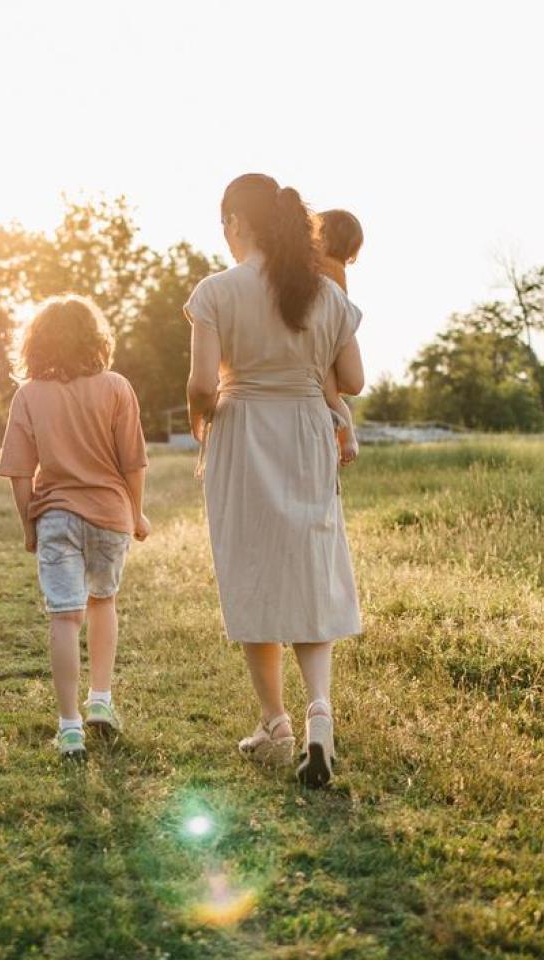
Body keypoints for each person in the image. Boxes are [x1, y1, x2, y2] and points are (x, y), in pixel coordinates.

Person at [185, 173, 366, 787]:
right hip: (306, 431)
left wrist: (199, 423)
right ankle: (319, 710)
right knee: (310, 566)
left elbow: (201, 387)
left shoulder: (216, 291)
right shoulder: (324, 292)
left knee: (253, 567)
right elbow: (354, 378)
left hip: (243, 431)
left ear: (237, 222)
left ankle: (274, 722)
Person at [0, 296, 151, 761]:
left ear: (36, 344)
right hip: (109, 515)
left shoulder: (28, 396)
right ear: (95, 339)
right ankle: (100, 700)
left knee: (65, 617)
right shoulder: (117, 387)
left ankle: (69, 728)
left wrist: (29, 524)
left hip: (56, 516)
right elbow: (134, 462)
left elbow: (20, 473)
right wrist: (137, 513)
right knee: (103, 603)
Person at [316, 209, 365, 466]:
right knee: (333, 396)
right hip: (330, 340)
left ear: (321, 237)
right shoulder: (338, 268)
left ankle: (347, 439)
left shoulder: (324, 267)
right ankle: (347, 438)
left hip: (324, 342)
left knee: (331, 395)